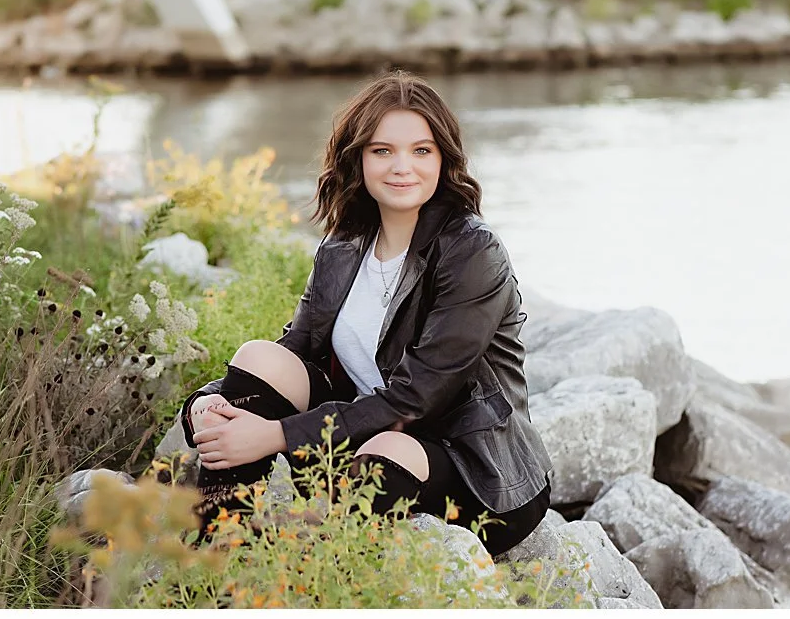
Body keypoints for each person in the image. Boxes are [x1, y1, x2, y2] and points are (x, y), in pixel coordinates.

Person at [180, 73, 553, 555]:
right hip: (358, 437)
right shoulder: (346, 243)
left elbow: (415, 400)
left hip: (473, 469)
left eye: (421, 151)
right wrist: (209, 404)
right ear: (357, 157)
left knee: (385, 453)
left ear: (444, 158)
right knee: (259, 357)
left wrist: (273, 436)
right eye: (382, 151)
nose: (402, 167)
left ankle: (324, 575)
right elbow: (296, 349)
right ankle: (218, 549)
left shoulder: (472, 251)